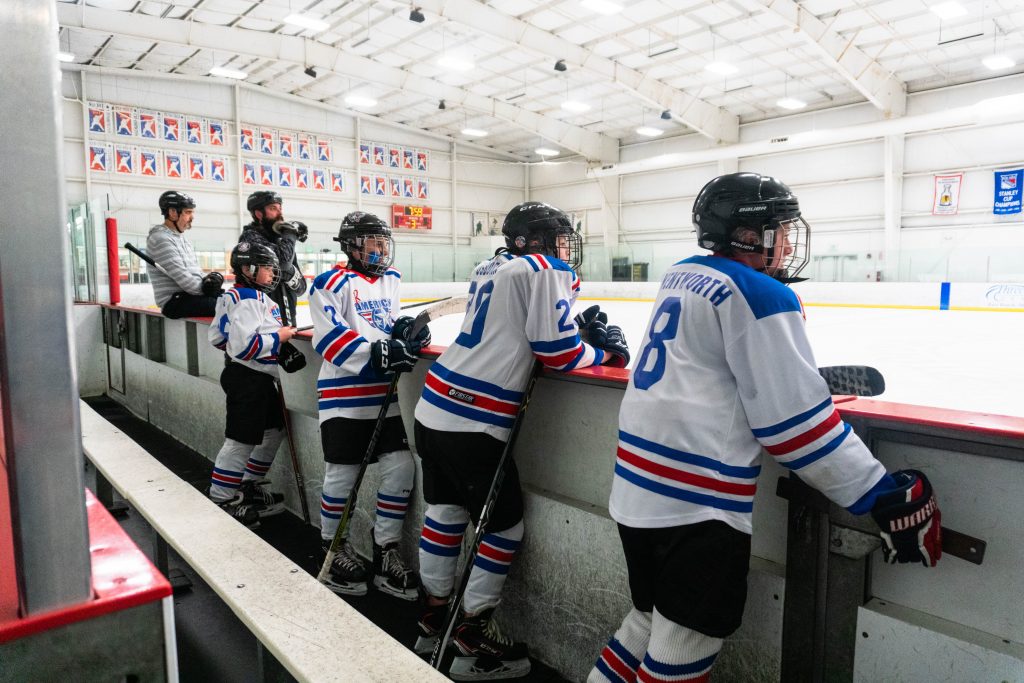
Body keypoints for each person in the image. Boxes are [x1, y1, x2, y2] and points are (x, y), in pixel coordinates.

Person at [588, 172, 941, 683]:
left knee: (645, 622)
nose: (789, 241)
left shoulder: (682, 274)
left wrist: (783, 380)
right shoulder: (762, 295)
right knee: (684, 644)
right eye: (779, 228)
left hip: (636, 496)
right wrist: (879, 493)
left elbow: (705, 372)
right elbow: (795, 432)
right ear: (747, 236)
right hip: (696, 509)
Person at [412, 202, 631, 681]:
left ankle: (433, 617)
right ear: (531, 240)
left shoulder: (492, 266)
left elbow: (516, 327)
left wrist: (571, 326)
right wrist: (606, 351)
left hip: (433, 407)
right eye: (555, 237)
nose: (562, 247)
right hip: (475, 419)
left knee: (444, 514)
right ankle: (471, 635)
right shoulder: (544, 268)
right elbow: (556, 352)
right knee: (503, 530)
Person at [309, 211, 428, 600]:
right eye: (372, 242)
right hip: (343, 395)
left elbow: (386, 325)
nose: (380, 249)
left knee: (400, 467)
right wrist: (376, 352)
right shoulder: (330, 282)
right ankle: (332, 545)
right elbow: (329, 340)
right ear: (352, 245)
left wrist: (406, 333)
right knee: (342, 476)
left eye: (382, 242)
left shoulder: (392, 280)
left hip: (383, 395)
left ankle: (386, 549)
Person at [206, 241, 297, 529]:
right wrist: (279, 338)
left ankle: (247, 486)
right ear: (248, 269)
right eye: (268, 268)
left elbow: (218, 339)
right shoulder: (247, 298)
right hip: (248, 379)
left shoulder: (236, 295)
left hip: (251, 378)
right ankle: (221, 499)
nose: (272, 273)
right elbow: (245, 348)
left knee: (273, 431)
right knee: (240, 440)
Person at [146, 190, 224, 318]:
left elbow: (196, 272)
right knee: (226, 305)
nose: (192, 217)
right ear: (172, 213)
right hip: (174, 302)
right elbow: (183, 278)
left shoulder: (182, 240)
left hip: (189, 296)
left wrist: (209, 280)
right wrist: (207, 290)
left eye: (192, 212)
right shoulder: (160, 239)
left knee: (231, 300)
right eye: (188, 212)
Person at [240, 191, 308, 326]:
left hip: (288, 321)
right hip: (264, 325)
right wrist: (290, 233)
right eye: (273, 209)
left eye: (280, 208)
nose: (279, 213)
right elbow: (283, 262)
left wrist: (290, 275)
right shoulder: (250, 238)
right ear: (259, 213)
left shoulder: (282, 241)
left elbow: (301, 288)